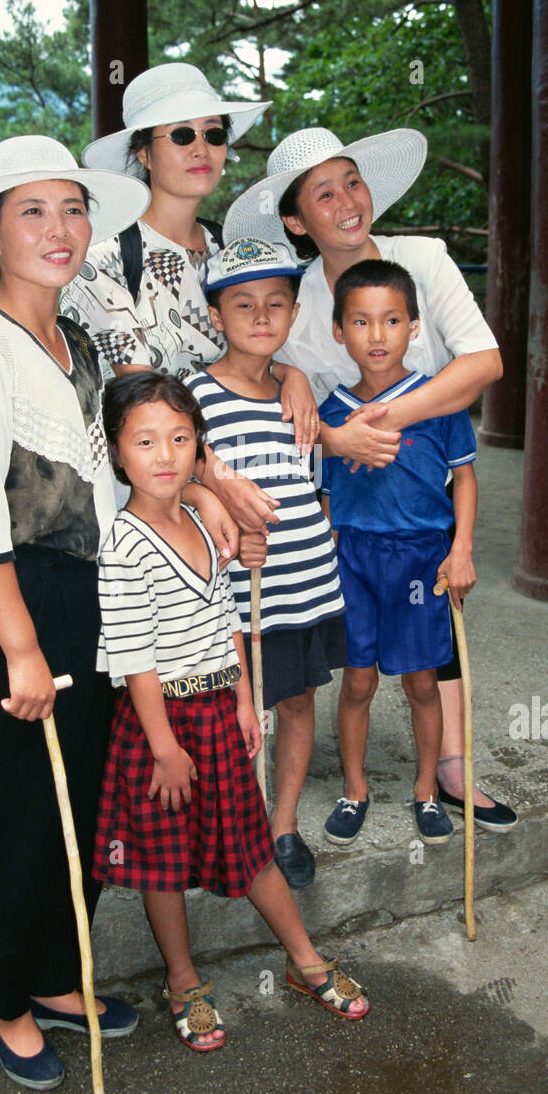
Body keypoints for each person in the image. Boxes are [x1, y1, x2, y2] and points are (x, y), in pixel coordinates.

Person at [0, 134, 151, 1091]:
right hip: (1, 605)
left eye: (72, 209)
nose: (60, 230)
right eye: (31, 212)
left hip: (84, 597)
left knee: (84, 798)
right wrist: (20, 649)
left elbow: (106, 477)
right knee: (12, 813)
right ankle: (6, 998)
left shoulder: (77, 339)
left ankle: (60, 975)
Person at [224, 127, 517, 834]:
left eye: (352, 181)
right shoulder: (296, 302)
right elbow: (272, 374)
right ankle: (366, 780)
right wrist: (325, 420)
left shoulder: (423, 258)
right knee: (364, 657)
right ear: (296, 220)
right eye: (324, 193)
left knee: (434, 634)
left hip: (425, 457)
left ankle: (449, 770)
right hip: (355, 496)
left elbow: (483, 363)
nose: (348, 201)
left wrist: (384, 420)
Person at [92, 371, 368, 1050]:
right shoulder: (124, 546)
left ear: (198, 448)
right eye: (147, 441)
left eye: (181, 439)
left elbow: (227, 616)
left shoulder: (196, 516)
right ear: (116, 453)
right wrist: (163, 748)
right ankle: (183, 981)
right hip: (161, 728)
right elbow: (136, 661)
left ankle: (304, 961)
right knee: (162, 861)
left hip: (218, 712)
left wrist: (245, 698)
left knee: (250, 847)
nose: (165, 456)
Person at [63, 63, 320, 551]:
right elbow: (143, 398)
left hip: (229, 490)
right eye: (182, 135)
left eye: (214, 135)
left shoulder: (231, 252)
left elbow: (252, 351)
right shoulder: (104, 261)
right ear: (143, 152)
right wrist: (210, 485)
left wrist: (292, 374)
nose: (202, 149)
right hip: (145, 502)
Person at [182, 238, 347, 888]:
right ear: (216, 317)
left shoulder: (300, 391)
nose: (259, 316)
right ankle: (235, 820)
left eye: (275, 303)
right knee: (233, 711)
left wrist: (300, 378)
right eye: (242, 304)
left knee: (299, 702)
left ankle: (283, 824)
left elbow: (322, 476)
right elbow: (182, 470)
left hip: (303, 580)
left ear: (294, 313)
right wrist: (225, 511)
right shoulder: (194, 392)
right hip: (236, 588)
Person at [319, 259, 478, 843]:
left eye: (391, 320)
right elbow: (331, 495)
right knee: (357, 682)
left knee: (421, 683)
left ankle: (427, 790)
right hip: (355, 559)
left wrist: (460, 549)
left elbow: (463, 478)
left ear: (414, 326)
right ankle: (354, 788)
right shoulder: (331, 411)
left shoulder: (440, 400)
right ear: (339, 330)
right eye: (360, 321)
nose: (376, 335)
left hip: (422, 559)